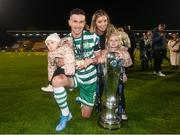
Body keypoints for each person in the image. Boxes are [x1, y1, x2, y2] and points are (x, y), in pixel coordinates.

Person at [51, 8, 101, 131]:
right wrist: (63, 61)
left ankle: (83, 99)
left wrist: (90, 60)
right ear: (69, 22)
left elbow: (99, 57)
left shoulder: (93, 37)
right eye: (75, 21)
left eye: (81, 22)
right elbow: (57, 62)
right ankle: (65, 114)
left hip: (89, 80)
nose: (78, 25)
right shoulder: (63, 41)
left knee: (85, 116)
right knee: (56, 81)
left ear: (84, 23)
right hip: (73, 77)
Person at [99, 29, 128, 120]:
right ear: (108, 41)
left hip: (119, 76)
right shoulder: (104, 51)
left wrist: (123, 58)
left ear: (119, 41)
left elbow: (128, 63)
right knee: (107, 93)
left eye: (116, 40)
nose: (113, 42)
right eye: (111, 40)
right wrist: (102, 59)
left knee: (120, 93)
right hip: (107, 77)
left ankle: (122, 110)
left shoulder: (123, 51)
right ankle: (107, 108)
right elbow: (100, 62)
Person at [90, 9, 113, 112]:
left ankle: (102, 101)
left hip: (107, 63)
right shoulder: (91, 35)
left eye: (105, 20)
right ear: (94, 22)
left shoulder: (111, 31)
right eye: (99, 21)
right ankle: (95, 101)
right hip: (94, 63)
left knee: (105, 83)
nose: (103, 24)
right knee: (95, 83)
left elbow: (117, 45)